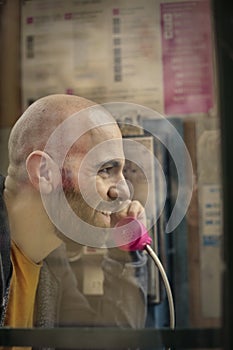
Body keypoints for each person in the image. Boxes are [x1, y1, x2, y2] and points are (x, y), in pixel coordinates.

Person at [0, 94, 148, 336]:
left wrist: (124, 255)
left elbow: (106, 343)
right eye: (106, 170)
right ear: (45, 172)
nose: (122, 191)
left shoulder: (50, 260)